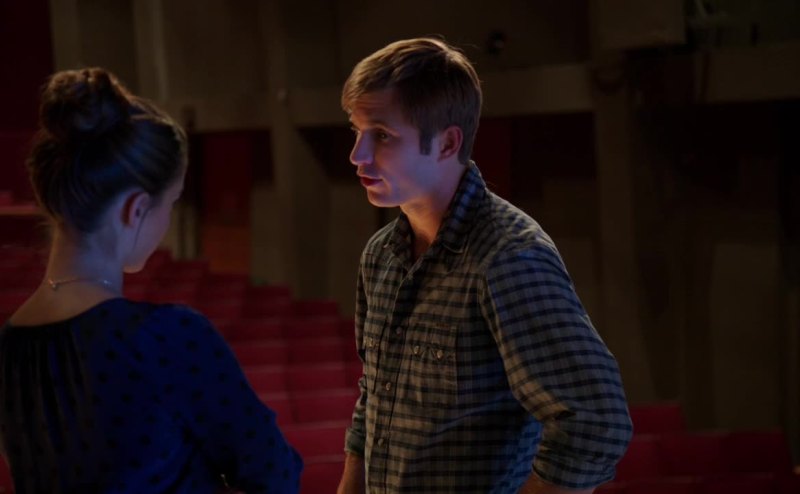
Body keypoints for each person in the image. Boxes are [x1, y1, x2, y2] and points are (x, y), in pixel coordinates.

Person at [337, 38, 633, 494]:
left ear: (447, 142)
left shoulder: (507, 256)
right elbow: (374, 396)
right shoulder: (381, 254)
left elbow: (596, 420)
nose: (357, 155)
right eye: (357, 132)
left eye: (382, 135)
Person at [0, 68, 302, 493]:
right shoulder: (164, 335)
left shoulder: (9, 345)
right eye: (171, 203)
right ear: (135, 209)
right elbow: (273, 472)